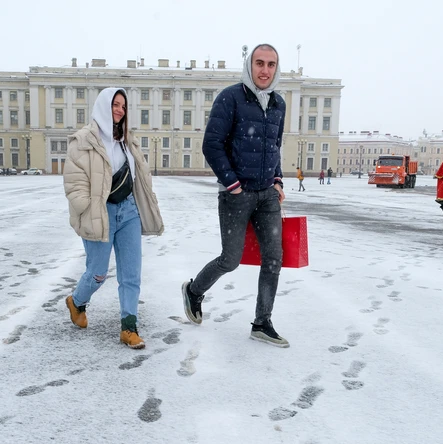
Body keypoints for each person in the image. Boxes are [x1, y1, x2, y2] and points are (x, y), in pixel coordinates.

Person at [181, 43, 288, 347]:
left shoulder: (279, 104)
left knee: (273, 259)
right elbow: (211, 145)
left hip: (267, 195)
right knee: (231, 259)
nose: (265, 70)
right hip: (236, 195)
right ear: (249, 65)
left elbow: (274, 147)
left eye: (270, 64)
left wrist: (277, 180)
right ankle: (193, 291)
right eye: (259, 63)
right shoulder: (230, 98)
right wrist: (232, 184)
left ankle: (262, 322)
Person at [63, 88, 164, 349]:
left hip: (129, 211)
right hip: (100, 211)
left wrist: (147, 200)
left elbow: (140, 174)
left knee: (131, 274)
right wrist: (87, 207)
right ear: (103, 106)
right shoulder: (84, 140)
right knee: (97, 273)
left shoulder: (126, 140)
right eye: (115, 105)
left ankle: (129, 327)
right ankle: (77, 302)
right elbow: (74, 183)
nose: (119, 110)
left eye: (123, 106)